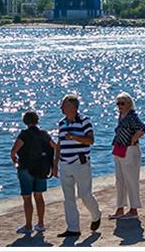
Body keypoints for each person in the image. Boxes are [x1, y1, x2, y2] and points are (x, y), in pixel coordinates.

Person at [53, 94, 102, 238]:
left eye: (64, 105)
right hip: (64, 163)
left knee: (84, 194)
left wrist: (74, 137)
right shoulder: (62, 123)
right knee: (68, 197)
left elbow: (90, 140)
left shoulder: (84, 121)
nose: (61, 108)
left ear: (73, 107)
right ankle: (73, 228)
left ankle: (96, 215)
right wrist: (55, 164)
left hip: (80, 162)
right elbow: (60, 144)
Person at [10, 109, 54, 236]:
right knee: (39, 197)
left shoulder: (24, 135)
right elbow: (55, 146)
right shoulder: (44, 134)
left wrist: (15, 160)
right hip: (41, 169)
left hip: (26, 169)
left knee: (27, 198)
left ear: (25, 122)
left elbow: (13, 151)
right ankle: (41, 224)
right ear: (37, 121)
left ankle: (28, 226)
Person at [109, 93, 145, 220]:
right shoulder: (121, 116)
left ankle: (133, 209)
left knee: (131, 180)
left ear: (129, 104)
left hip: (130, 150)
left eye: (122, 103)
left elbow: (142, 128)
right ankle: (120, 208)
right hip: (120, 148)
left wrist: (132, 140)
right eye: (118, 103)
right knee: (120, 180)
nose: (120, 106)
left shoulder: (132, 116)